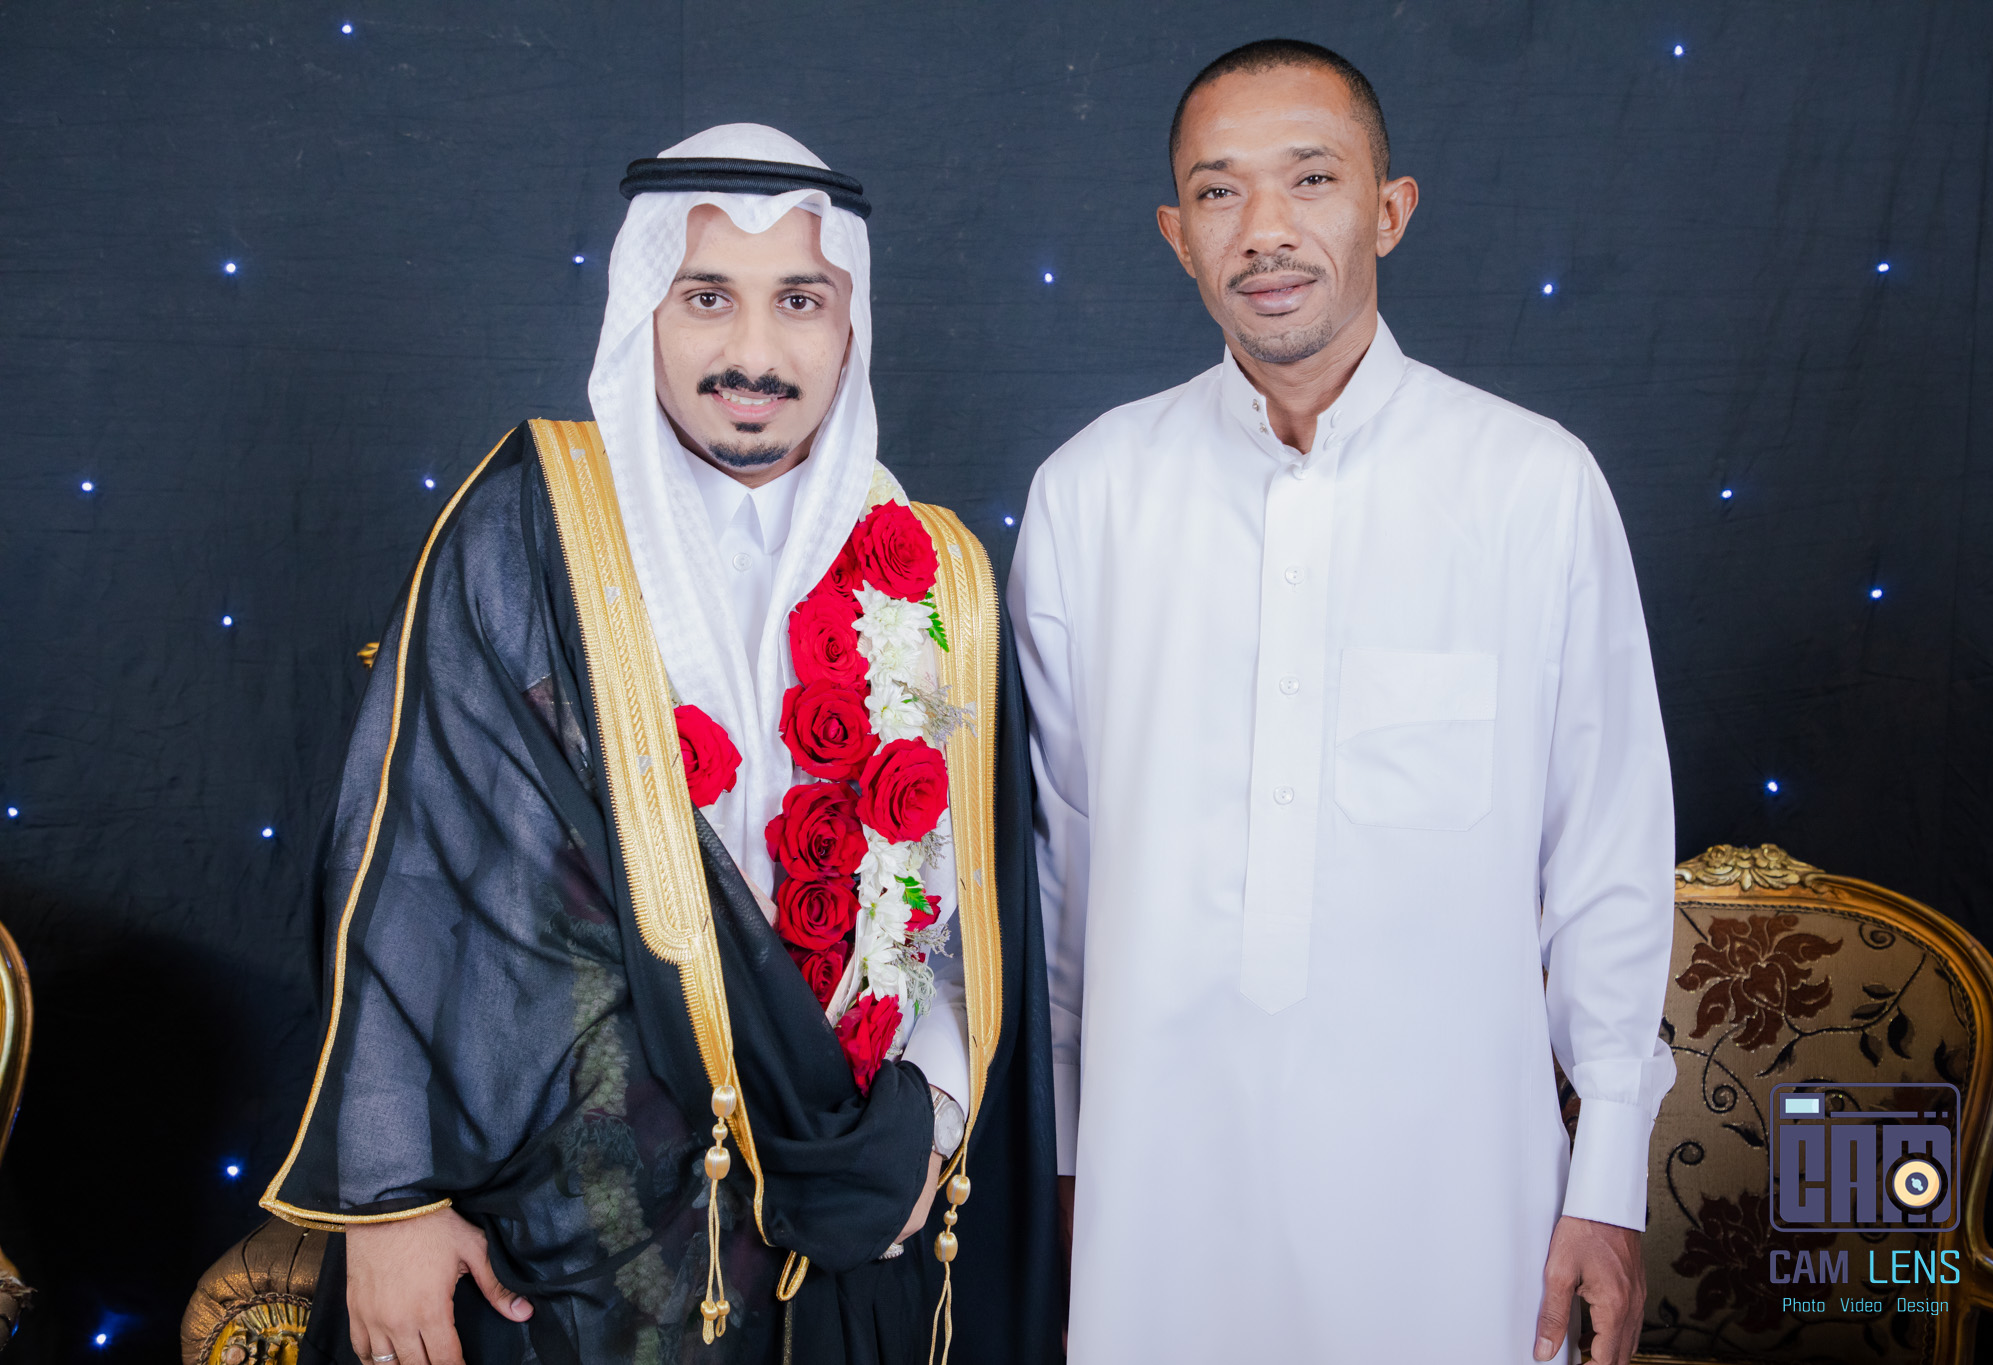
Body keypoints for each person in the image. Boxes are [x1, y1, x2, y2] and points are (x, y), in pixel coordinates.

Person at [262, 123, 1059, 1365]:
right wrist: (393, 1204)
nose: (753, 354)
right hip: (560, 1232)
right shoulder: (529, 530)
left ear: (850, 323)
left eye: (799, 300)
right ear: (644, 310)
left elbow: (972, 917)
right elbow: (411, 876)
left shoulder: (936, 575)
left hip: (850, 1224)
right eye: (706, 298)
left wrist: (936, 1120)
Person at [1010, 39, 1676, 1365]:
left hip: (1456, 1198)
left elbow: (1606, 853)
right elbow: (1059, 877)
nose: (1264, 229)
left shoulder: (1531, 487)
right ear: (1174, 235)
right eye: (1218, 191)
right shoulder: (1090, 497)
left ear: (1389, 210)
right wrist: (1069, 1157)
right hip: (1158, 1195)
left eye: (1309, 178)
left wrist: (1605, 1179)